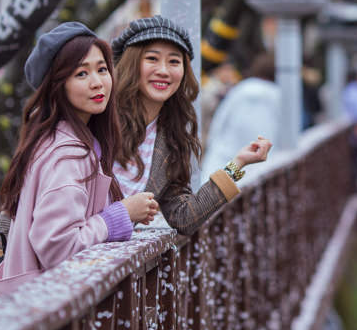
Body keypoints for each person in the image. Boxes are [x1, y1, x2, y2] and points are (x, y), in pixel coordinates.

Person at [0, 22, 159, 297]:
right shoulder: (67, 153)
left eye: (102, 69)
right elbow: (58, 248)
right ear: (58, 85)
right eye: (81, 73)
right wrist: (121, 215)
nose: (97, 81)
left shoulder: (61, 139)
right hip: (47, 311)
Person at [110, 16, 272, 233]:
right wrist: (123, 213)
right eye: (152, 59)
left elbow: (184, 216)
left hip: (115, 263)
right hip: (67, 257)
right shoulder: (103, 120)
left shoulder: (170, 138)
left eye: (174, 62)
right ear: (132, 63)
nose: (164, 71)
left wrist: (238, 163)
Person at [200, 50, 280, 184]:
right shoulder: (277, 95)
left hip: (221, 161)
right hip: (260, 168)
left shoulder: (240, 89)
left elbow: (219, 123)